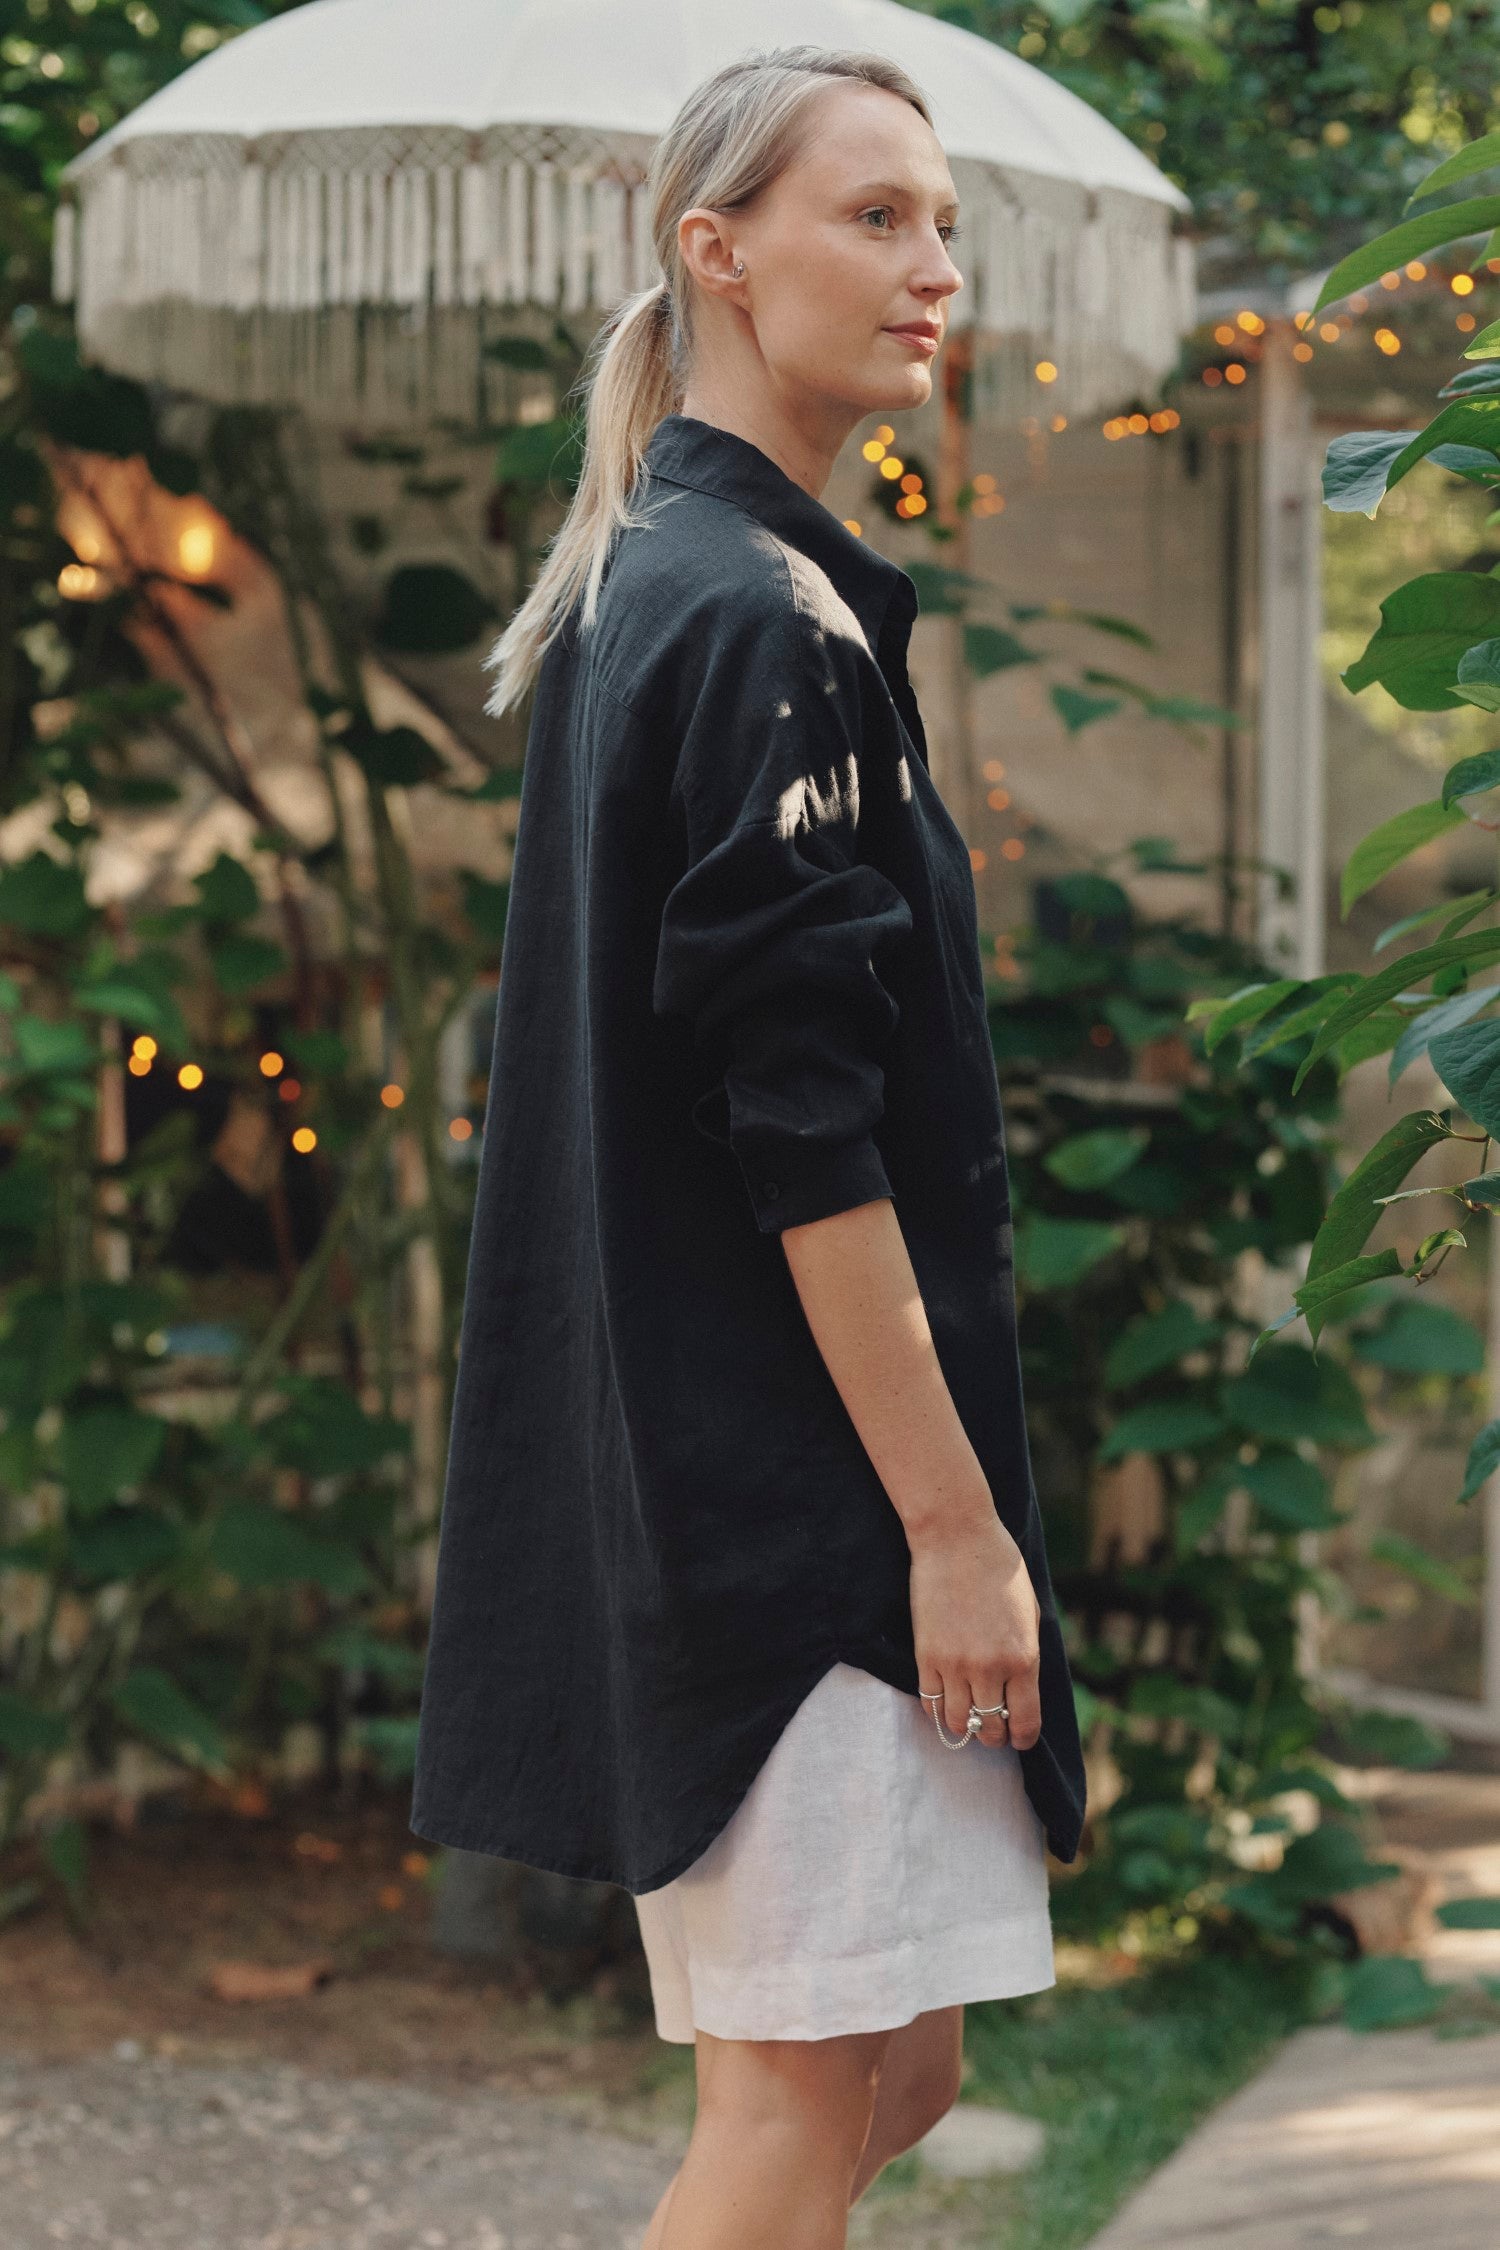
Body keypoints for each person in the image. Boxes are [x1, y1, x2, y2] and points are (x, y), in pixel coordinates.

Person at [409, 43, 1087, 2250]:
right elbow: (802, 1135)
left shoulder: (688, 579)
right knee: (798, 2105)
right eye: (873, 217)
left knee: (898, 2064)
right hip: (794, 1520)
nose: (934, 268)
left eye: (942, 222)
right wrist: (955, 1532)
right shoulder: (748, 619)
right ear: (717, 249)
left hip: (750, 1483)